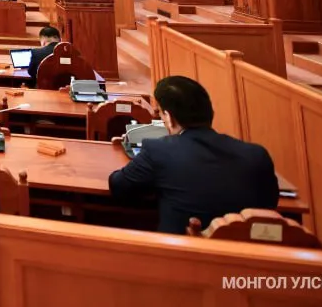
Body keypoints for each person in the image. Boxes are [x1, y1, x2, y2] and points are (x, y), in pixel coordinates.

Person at [108, 76, 279, 234]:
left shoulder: (158, 150)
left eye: (160, 113)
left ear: (169, 117)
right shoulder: (257, 155)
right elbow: (269, 205)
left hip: (181, 252)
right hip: (246, 253)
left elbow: (118, 185)